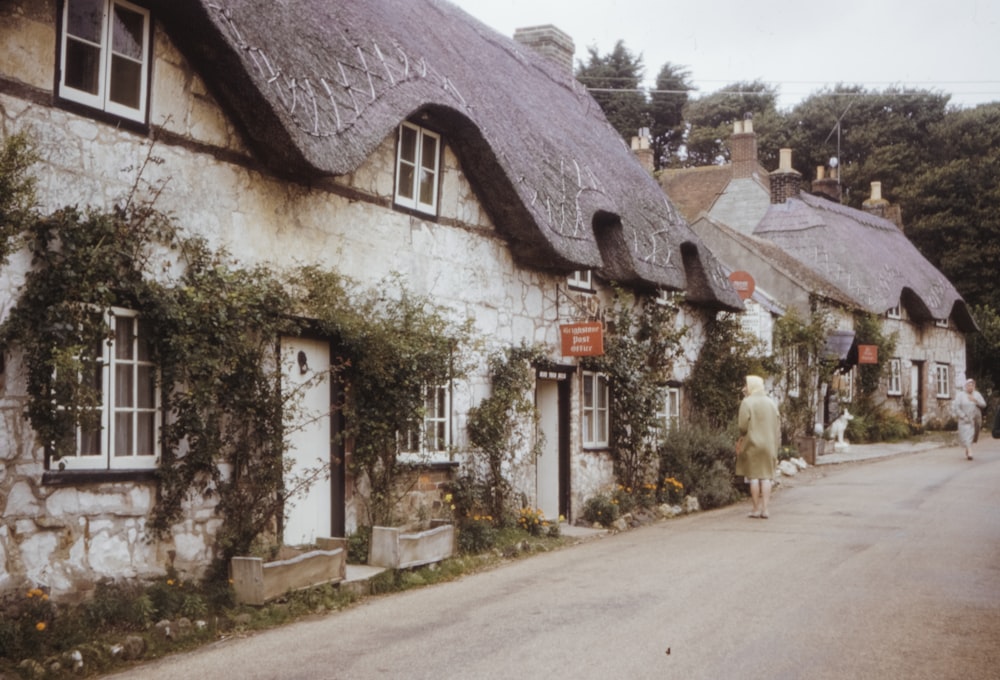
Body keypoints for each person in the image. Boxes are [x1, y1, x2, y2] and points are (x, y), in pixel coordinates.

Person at [736, 375, 781, 519]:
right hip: (769, 444)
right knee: (766, 477)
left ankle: (755, 509)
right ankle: (765, 509)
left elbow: (742, 427)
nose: (744, 388)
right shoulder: (771, 403)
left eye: (746, 386)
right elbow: (777, 424)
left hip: (753, 444)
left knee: (754, 476)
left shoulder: (747, 402)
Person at [953, 378, 986, 460]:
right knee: (967, 435)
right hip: (964, 419)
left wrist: (975, 400)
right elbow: (956, 407)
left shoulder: (977, 394)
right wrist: (963, 416)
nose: (970, 387)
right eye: (968, 385)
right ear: (965, 386)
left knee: (972, 436)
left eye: (972, 385)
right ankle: (970, 451)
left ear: (974, 386)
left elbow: (984, 405)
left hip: (975, 419)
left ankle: (968, 449)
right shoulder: (960, 395)